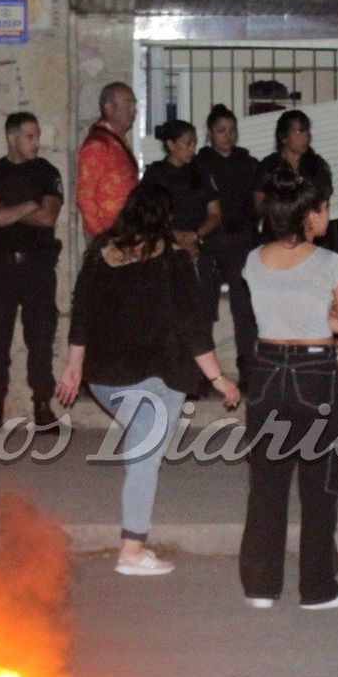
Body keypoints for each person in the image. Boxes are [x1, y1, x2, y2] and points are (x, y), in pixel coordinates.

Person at [57, 184, 240, 577]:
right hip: (161, 375)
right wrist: (220, 379)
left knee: (142, 446)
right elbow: (192, 326)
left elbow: (82, 312)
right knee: (145, 454)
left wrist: (74, 366)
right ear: (166, 218)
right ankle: (132, 551)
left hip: (107, 377)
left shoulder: (101, 252)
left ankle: (134, 542)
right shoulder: (173, 260)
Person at [239, 169, 338, 610]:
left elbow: (264, 311)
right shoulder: (329, 263)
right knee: (319, 485)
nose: (328, 215)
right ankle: (317, 588)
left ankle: (261, 587)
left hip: (268, 370)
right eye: (324, 207)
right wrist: (316, 319)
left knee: (267, 485)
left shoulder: (253, 260)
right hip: (314, 373)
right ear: (309, 215)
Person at [0, 111, 65, 431]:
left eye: (37, 135)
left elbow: (48, 218)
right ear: (13, 137)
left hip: (38, 266)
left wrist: (9, 210)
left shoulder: (47, 172)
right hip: (0, 267)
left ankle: (42, 406)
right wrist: (28, 205)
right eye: (30, 136)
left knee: (40, 337)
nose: (36, 142)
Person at [194, 104, 261, 387]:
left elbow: (257, 204)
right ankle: (201, 372)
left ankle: (247, 367)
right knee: (204, 306)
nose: (228, 136)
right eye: (221, 131)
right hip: (209, 241)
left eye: (232, 130)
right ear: (210, 134)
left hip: (241, 241)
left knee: (243, 307)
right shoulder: (199, 165)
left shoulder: (248, 164)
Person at [141, 118, 221, 266]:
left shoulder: (201, 171)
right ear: (171, 145)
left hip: (200, 242)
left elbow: (215, 214)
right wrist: (176, 236)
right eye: (188, 143)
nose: (193, 149)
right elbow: (147, 216)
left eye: (195, 143)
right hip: (165, 245)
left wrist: (195, 236)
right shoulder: (155, 175)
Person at [75, 81, 139, 238]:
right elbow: (85, 197)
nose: (133, 110)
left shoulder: (117, 141)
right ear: (109, 108)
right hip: (108, 234)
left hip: (125, 231)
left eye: (134, 105)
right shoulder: (97, 145)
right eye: (128, 104)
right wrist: (101, 238)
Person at [254, 109, 333, 215]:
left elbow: (323, 199)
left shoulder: (317, 164)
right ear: (283, 137)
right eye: (299, 132)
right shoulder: (268, 165)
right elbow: (259, 206)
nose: (305, 137)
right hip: (278, 227)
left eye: (307, 131)